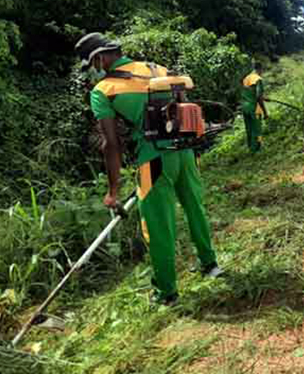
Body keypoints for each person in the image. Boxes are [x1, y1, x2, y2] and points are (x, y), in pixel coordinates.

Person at [75, 32, 222, 306]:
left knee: (157, 225)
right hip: (185, 151)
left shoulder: (103, 91)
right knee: (195, 208)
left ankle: (166, 292)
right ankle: (210, 264)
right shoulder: (156, 69)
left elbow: (111, 144)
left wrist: (113, 191)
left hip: (153, 160)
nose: (94, 71)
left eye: (93, 64)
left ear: (100, 57)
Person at [241, 62, 269, 153]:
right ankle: (257, 150)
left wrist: (262, 97)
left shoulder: (246, 78)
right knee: (257, 129)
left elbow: (250, 93)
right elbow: (258, 97)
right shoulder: (258, 79)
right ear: (260, 69)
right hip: (254, 108)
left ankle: (250, 149)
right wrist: (265, 112)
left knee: (249, 128)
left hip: (245, 107)